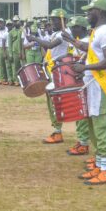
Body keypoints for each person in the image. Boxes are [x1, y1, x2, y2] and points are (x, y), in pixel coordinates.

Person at [71, 0, 106, 185]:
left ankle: (105, 170)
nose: (87, 14)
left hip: (101, 84)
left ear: (99, 12)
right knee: (93, 125)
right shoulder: (97, 31)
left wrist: (85, 68)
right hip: (93, 84)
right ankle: (99, 164)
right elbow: (93, 50)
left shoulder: (105, 31)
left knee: (101, 125)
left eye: (90, 11)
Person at [30, 8, 70, 144]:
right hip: (52, 69)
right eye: (52, 20)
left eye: (55, 20)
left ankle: (58, 132)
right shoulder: (57, 33)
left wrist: (34, 38)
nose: (52, 23)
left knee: (55, 101)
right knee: (51, 100)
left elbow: (50, 45)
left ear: (63, 20)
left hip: (58, 70)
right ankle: (57, 130)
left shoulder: (64, 33)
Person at [63, 16, 92, 156]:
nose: (71, 30)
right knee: (78, 111)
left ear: (81, 28)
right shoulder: (77, 41)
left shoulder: (87, 41)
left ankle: (84, 143)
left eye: (73, 27)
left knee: (83, 112)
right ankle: (81, 140)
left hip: (85, 80)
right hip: (76, 79)